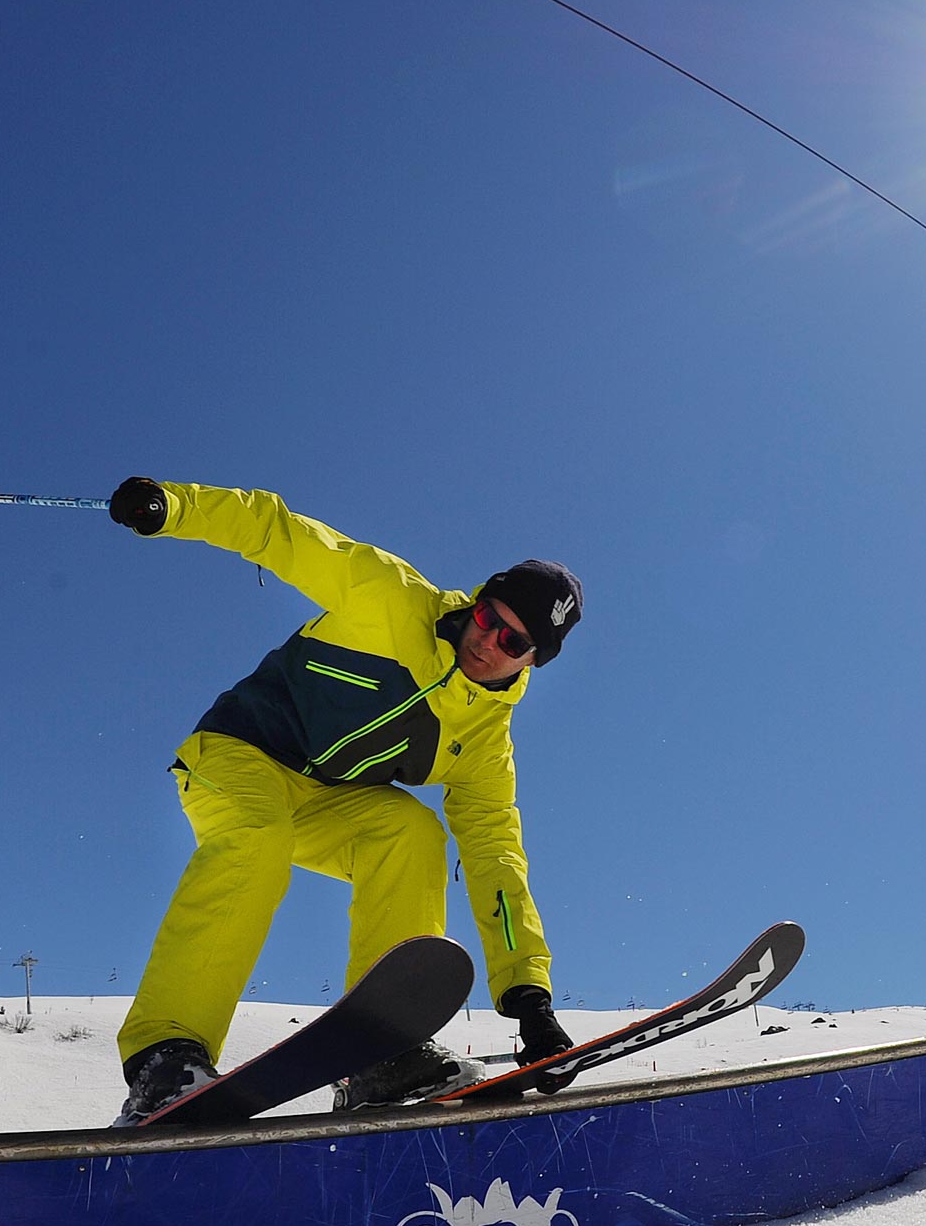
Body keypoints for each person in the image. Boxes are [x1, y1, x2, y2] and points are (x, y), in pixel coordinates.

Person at [106, 475, 581, 1125]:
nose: (487, 641)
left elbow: (498, 858)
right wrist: (174, 507)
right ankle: (167, 1057)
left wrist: (530, 997)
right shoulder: (388, 596)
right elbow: (277, 530)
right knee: (255, 841)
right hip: (237, 755)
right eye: (488, 618)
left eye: (513, 643)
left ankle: (381, 1055)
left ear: (531, 663)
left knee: (412, 834)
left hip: (326, 802)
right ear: (477, 602)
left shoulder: (484, 742)